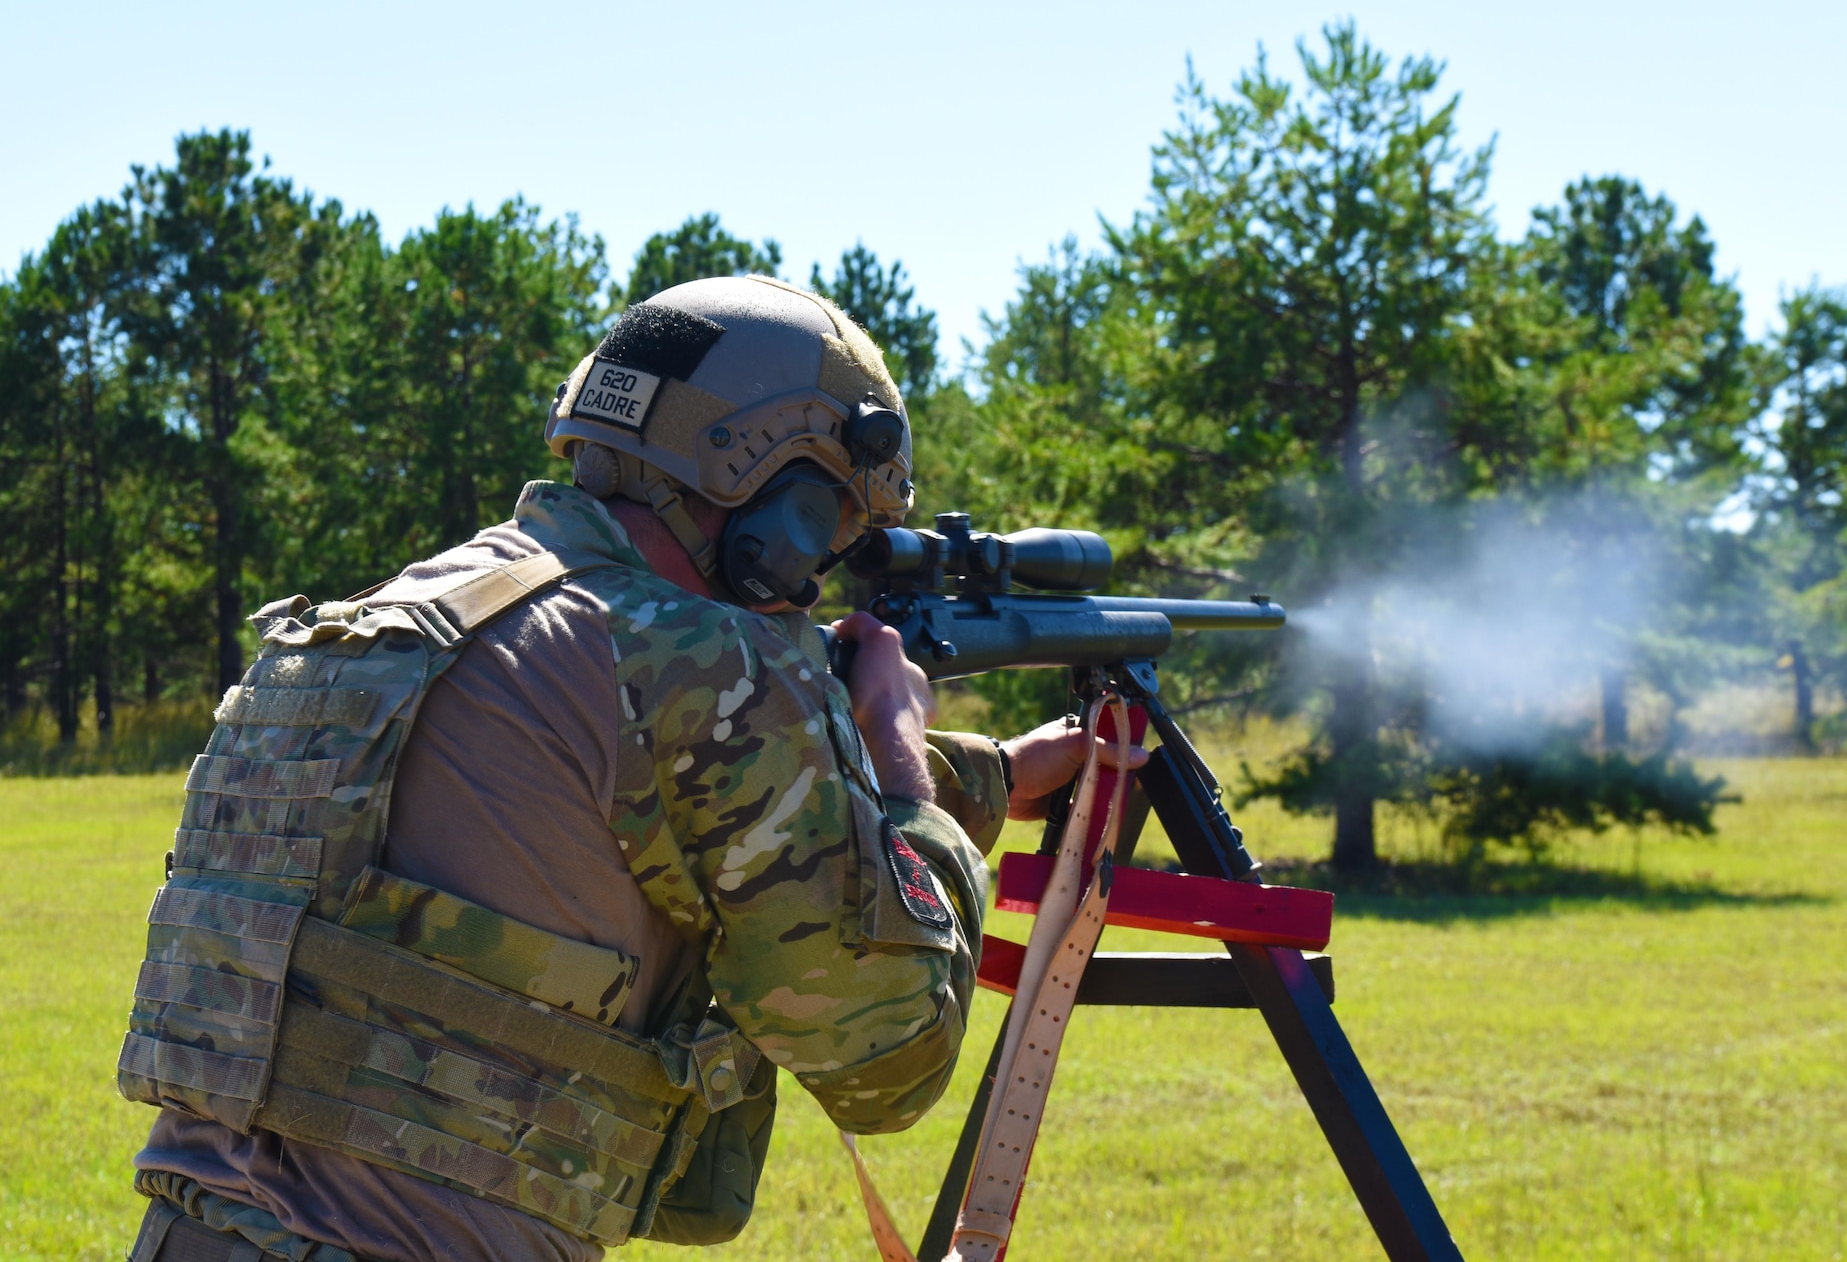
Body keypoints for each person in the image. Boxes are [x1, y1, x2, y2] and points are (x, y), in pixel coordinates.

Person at [117, 275, 1139, 1262]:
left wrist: (988, 773)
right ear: (766, 490)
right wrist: (903, 766)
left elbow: (599, 815)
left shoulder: (414, 617)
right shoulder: (698, 660)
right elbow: (888, 1060)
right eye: (832, 520)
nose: (825, 562)